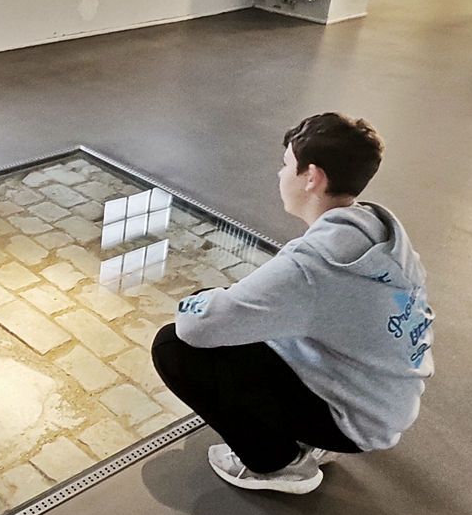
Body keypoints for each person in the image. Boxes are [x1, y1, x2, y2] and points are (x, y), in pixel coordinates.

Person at [152, 113, 433, 495]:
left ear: (311, 177)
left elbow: (196, 328)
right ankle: (313, 432)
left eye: (286, 165)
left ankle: (277, 464)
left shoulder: (311, 267)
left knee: (173, 347)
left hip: (354, 421)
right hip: (387, 403)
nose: (280, 174)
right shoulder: (379, 233)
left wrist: (196, 301)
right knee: (238, 312)